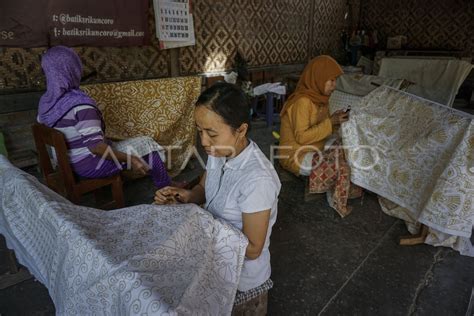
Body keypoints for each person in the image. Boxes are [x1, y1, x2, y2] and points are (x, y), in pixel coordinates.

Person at [154, 82, 281, 305]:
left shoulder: (257, 180)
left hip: (240, 279)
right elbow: (204, 190)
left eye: (211, 133)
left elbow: (252, 249)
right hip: (211, 258)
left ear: (241, 130)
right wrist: (184, 196)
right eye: (200, 131)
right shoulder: (219, 152)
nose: (203, 141)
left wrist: (196, 221)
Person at [38, 46, 171, 189]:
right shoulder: (80, 106)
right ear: (72, 70)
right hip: (90, 166)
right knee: (147, 144)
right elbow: (96, 148)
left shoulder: (46, 103)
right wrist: (132, 159)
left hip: (66, 165)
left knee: (118, 143)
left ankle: (165, 184)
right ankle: (166, 189)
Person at [278, 55, 362, 217]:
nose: (334, 86)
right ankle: (335, 199)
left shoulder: (321, 99)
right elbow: (302, 137)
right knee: (342, 164)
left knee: (347, 148)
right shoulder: (302, 102)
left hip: (314, 146)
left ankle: (334, 188)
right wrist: (331, 122)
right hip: (296, 154)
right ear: (318, 78)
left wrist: (336, 120)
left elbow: (322, 128)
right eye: (330, 81)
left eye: (335, 81)